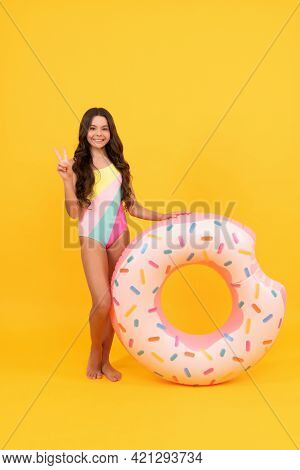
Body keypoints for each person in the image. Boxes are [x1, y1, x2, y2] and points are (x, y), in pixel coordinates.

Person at [54, 107, 188, 382]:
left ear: (110, 132)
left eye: (104, 128)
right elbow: (74, 213)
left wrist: (163, 216)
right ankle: (94, 351)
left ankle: (106, 360)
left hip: (119, 235)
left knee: (115, 303)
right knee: (101, 303)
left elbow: (133, 207)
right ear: (85, 132)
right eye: (93, 128)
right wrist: (67, 181)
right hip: (91, 236)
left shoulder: (119, 167)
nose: (98, 133)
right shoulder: (77, 167)